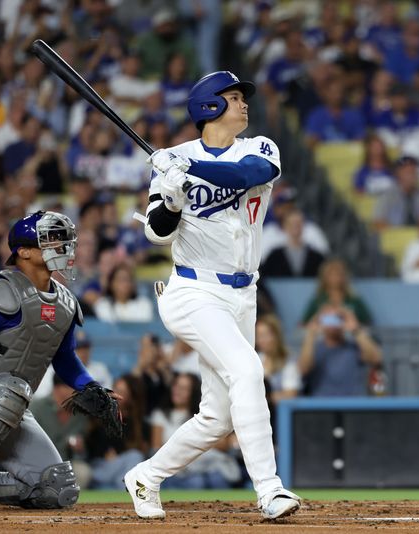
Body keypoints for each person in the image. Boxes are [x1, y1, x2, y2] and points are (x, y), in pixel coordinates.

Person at [126, 70, 301, 520]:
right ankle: (269, 489)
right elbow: (157, 233)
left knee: (217, 417)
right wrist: (171, 199)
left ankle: (146, 475)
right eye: (235, 97)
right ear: (210, 106)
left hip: (243, 295)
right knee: (247, 368)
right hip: (192, 291)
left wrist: (189, 170)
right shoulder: (173, 161)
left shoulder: (259, 147)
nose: (243, 104)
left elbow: (249, 174)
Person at [0, 211, 116, 513]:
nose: (61, 246)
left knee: (59, 488)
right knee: (13, 388)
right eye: (50, 239)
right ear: (24, 251)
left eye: (62, 239)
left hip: (11, 403)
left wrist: (93, 387)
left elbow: (65, 359)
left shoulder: (66, 302)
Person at [298, 306, 383, 397]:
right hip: (321, 406)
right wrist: (311, 334)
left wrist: (356, 330)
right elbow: (303, 370)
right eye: (327, 319)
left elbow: (376, 359)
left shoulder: (356, 347)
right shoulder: (313, 349)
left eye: (337, 318)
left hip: (353, 405)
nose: (332, 323)